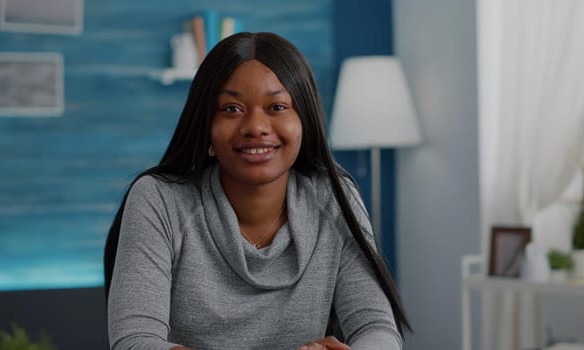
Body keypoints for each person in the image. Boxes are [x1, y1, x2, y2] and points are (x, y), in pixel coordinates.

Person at [104, 31, 411, 350]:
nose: (255, 126)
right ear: (206, 124)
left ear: (303, 120)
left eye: (277, 106)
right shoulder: (159, 200)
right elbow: (135, 341)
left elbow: (376, 326)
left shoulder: (334, 197)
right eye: (232, 109)